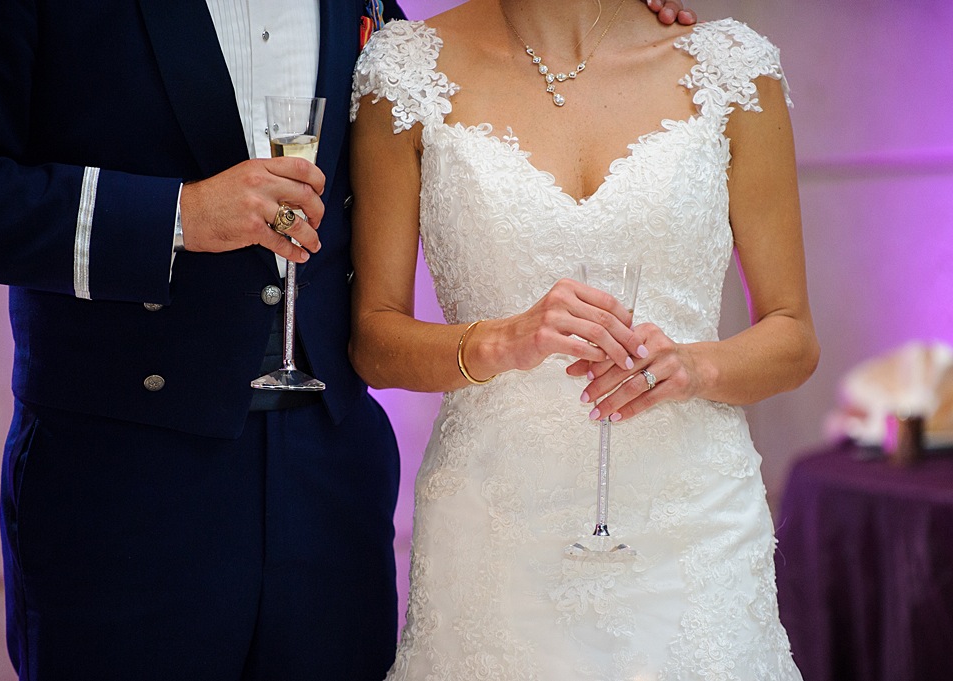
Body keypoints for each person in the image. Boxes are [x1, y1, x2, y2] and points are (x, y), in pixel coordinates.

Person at [0, 0, 694, 678]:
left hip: (332, 494)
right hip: (121, 494)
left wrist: (608, 16)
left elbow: (477, 76)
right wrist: (176, 215)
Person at [348, 0, 818, 678]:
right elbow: (372, 338)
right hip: (495, 535)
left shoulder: (731, 70)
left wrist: (695, 366)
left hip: (693, 533)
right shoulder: (405, 70)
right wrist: (496, 342)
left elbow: (794, 335)